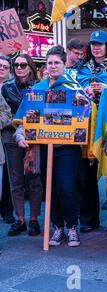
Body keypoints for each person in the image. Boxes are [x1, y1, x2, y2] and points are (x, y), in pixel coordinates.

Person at [14, 46, 84, 246]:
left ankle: (72, 227)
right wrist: (20, 136)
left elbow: (84, 117)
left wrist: (86, 100)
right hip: (43, 149)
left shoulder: (74, 88)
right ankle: (57, 228)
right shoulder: (36, 90)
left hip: (67, 149)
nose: (53, 66)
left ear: (64, 64)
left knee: (65, 188)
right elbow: (23, 117)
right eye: (50, 63)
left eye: (57, 63)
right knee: (49, 190)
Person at [77, 30, 107, 234]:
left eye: (100, 44)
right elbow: (74, 91)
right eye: (93, 44)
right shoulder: (81, 70)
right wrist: (84, 91)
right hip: (87, 125)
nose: (96, 47)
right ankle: (89, 218)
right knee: (87, 172)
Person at [1, 54, 42, 237]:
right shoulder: (6, 88)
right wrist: (17, 125)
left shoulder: (40, 87)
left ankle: (33, 219)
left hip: (35, 135)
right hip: (10, 135)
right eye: (16, 64)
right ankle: (20, 219)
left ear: (30, 67)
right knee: (15, 179)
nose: (19, 68)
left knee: (34, 177)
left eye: (23, 64)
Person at [0, 55, 14, 224]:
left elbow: (7, 113)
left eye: (5, 66)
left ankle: (6, 209)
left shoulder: (11, 87)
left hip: (8, 135)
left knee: (7, 177)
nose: (1, 68)